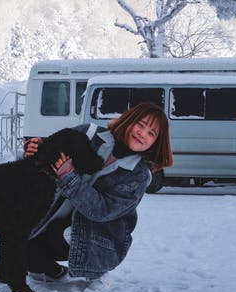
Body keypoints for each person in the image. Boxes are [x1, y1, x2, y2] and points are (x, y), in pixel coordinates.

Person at [23, 101, 173, 282]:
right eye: (141, 125)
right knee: (19, 250)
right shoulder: (89, 133)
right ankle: (54, 272)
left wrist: (68, 176)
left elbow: (103, 210)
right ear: (129, 120)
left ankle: (95, 269)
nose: (143, 134)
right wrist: (35, 149)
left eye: (151, 133)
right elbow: (52, 149)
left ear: (156, 142)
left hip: (97, 238)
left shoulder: (139, 175)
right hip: (55, 216)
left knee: (57, 233)